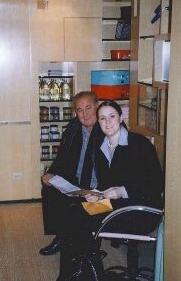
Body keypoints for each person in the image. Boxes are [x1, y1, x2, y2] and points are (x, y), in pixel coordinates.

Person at [57, 100, 164, 280]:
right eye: (102, 118)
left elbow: (156, 184)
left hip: (140, 210)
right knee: (73, 212)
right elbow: (106, 183)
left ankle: (86, 270)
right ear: (98, 122)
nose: (107, 122)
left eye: (112, 116)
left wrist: (122, 191)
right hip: (113, 206)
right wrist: (96, 193)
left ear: (121, 117)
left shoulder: (139, 144)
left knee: (81, 220)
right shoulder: (101, 148)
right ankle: (78, 270)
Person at [39, 91, 104, 256]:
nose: (85, 113)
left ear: (97, 106)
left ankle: (90, 242)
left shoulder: (108, 129)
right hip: (75, 183)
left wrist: (99, 187)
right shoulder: (73, 130)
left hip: (100, 189)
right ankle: (61, 236)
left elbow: (115, 170)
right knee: (49, 189)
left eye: (88, 107)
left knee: (83, 209)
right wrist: (51, 173)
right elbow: (62, 158)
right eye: (80, 109)